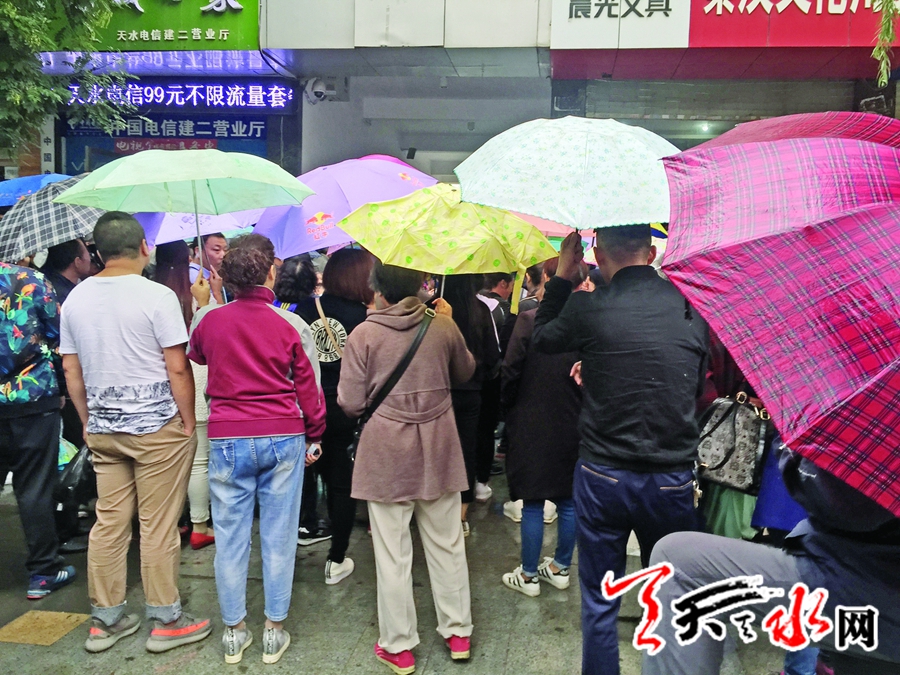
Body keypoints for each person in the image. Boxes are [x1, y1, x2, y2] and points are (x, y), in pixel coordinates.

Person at [533, 228, 709, 675]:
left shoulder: (588, 306)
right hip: (671, 477)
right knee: (670, 599)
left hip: (603, 474)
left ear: (595, 252)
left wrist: (563, 276)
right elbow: (691, 381)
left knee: (599, 600)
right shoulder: (691, 306)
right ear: (651, 253)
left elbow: (543, 338)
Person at [61, 212, 209, 654]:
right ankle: (166, 619)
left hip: (104, 428)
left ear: (98, 252)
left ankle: (106, 621)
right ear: (144, 247)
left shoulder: (76, 298)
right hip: (157, 429)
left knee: (108, 522)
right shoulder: (157, 295)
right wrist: (187, 419)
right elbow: (177, 366)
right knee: (157, 526)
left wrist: (88, 420)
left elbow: (71, 369)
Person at [189, 234, 326, 665]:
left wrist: (206, 304)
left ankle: (233, 632)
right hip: (283, 435)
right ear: (270, 272)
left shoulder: (208, 321)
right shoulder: (291, 325)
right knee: (279, 536)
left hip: (227, 436)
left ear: (228, 275)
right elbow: (309, 390)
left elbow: (198, 355)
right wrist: (315, 434)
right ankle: (273, 630)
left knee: (230, 537)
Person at [642, 446, 900, 675]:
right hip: (865, 578)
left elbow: (843, 501)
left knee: (680, 563)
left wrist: (792, 453)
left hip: (869, 585)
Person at [338, 261, 476, 675]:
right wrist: (449, 323)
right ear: (419, 285)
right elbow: (466, 371)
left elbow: (350, 403)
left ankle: (399, 646)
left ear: (378, 289)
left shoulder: (363, 335)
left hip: (385, 454)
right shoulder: (442, 326)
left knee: (392, 553)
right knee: (447, 542)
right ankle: (458, 633)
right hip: (439, 448)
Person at [500, 257, 582, 597]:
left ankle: (529, 574)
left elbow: (510, 370)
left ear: (549, 277)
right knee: (568, 499)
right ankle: (561, 568)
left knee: (532, 500)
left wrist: (508, 408)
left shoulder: (529, 319)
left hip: (530, 418)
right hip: (574, 420)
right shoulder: (587, 323)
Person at [295, 248, 374, 583]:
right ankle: (336, 559)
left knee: (300, 479)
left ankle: (298, 534)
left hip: (304, 405)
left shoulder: (303, 308)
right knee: (341, 484)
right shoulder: (363, 317)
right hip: (343, 408)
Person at [0, 260, 77, 599]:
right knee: (34, 487)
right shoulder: (30, 279)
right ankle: (43, 572)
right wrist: (61, 386)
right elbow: (58, 338)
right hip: (32, 396)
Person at [153, 241, 215, 550]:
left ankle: (173, 521)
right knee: (199, 460)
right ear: (187, 257)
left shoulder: (152, 294)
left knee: (166, 462)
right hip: (195, 378)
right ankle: (200, 525)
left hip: (160, 386)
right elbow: (210, 335)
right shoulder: (197, 293)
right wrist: (206, 302)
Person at [41, 237, 96, 554]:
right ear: (76, 261)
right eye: (86, 253)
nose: (90, 258)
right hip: (62, 388)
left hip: (57, 387)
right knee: (68, 456)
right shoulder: (62, 295)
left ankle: (71, 517)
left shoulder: (58, 286)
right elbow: (60, 349)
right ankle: (65, 524)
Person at [274, 254, 331, 547]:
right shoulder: (310, 312)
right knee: (310, 463)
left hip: (277, 402)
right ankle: (308, 521)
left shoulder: (273, 310)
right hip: (304, 401)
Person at [442, 274, 501, 536]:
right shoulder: (481, 311)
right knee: (466, 450)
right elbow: (492, 357)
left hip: (438, 392)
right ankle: (461, 515)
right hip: (470, 392)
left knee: (437, 450)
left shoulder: (434, 308)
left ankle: (435, 509)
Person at [40, 238, 93, 304]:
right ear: (78, 262)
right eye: (89, 255)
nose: (90, 259)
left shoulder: (46, 282)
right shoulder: (69, 298)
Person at [190, 233, 228, 304]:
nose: (223, 255)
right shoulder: (194, 278)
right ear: (198, 251)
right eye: (216, 250)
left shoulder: (213, 274)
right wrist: (217, 293)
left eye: (225, 250)